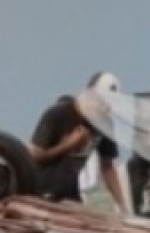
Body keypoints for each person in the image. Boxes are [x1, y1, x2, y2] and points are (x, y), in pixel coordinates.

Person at [30, 71, 130, 212]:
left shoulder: (103, 124)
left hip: (70, 192)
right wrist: (68, 145)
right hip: (43, 189)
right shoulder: (58, 114)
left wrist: (122, 205)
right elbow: (34, 156)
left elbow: (107, 167)